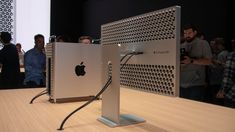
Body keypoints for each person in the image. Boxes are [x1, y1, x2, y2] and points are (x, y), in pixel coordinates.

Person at [180, 24, 213, 101]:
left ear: (195, 33)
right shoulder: (181, 45)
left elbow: (208, 61)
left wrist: (191, 60)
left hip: (196, 84)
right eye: (185, 33)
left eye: (189, 33)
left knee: (194, 109)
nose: (187, 35)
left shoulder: (203, 43)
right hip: (181, 83)